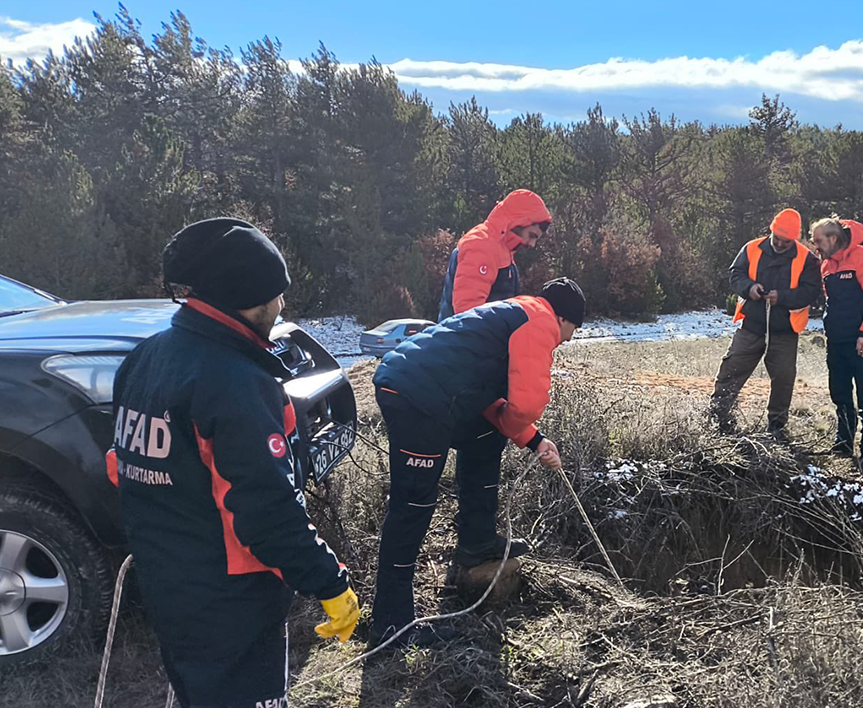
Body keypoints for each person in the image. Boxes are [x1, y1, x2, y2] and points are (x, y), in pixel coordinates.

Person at [108, 218, 357, 708]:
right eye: (276, 294)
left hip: (170, 590)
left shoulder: (146, 358)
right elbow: (265, 509)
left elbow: (123, 470)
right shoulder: (234, 381)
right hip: (232, 607)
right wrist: (328, 581)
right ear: (248, 297)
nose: (282, 305)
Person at [369, 278, 584, 647]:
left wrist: (535, 440)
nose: (565, 341)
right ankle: (391, 624)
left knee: (486, 435)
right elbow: (526, 404)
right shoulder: (540, 321)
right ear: (564, 319)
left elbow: (483, 396)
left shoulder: (512, 313)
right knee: (413, 505)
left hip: (416, 383)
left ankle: (477, 541)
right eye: (571, 332)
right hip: (418, 397)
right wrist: (525, 425)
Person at [710, 208, 821, 434]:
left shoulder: (808, 260)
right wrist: (749, 288)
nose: (780, 245)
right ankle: (717, 419)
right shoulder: (751, 248)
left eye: (786, 242)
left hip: (785, 331)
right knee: (730, 371)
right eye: (777, 239)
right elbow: (735, 274)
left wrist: (782, 297)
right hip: (751, 326)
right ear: (771, 231)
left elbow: (812, 291)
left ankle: (776, 427)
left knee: (783, 380)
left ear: (796, 238)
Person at [811, 217, 863, 465]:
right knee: (840, 395)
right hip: (837, 343)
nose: (816, 247)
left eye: (819, 241)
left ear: (833, 238)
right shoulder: (826, 266)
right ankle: (843, 446)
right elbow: (832, 303)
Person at [438, 188, 552, 320]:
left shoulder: (502, 249)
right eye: (531, 236)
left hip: (478, 337)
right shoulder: (482, 245)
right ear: (518, 223)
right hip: (465, 339)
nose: (532, 244)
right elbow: (467, 313)